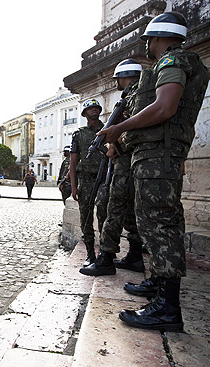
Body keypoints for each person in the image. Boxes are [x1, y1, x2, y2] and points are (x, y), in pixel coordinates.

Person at [97, 12, 210, 332]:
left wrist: (119, 127)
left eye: (148, 40)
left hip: (158, 155)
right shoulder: (185, 62)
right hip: (163, 154)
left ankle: (166, 307)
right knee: (160, 223)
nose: (147, 46)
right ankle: (160, 288)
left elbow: (165, 107)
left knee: (160, 224)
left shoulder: (171, 61)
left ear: (157, 38)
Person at [80, 59, 145, 276]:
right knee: (127, 211)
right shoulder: (137, 95)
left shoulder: (137, 95)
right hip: (132, 162)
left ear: (124, 76)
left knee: (115, 207)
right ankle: (134, 255)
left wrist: (116, 142)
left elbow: (138, 129)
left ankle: (106, 257)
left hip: (126, 164)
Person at [69, 99, 109, 267]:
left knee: (103, 215)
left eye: (96, 108)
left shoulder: (108, 130)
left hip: (103, 180)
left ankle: (106, 253)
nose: (93, 110)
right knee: (86, 218)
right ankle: (90, 253)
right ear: (85, 114)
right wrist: (73, 186)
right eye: (90, 108)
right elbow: (73, 162)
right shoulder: (79, 134)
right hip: (85, 181)